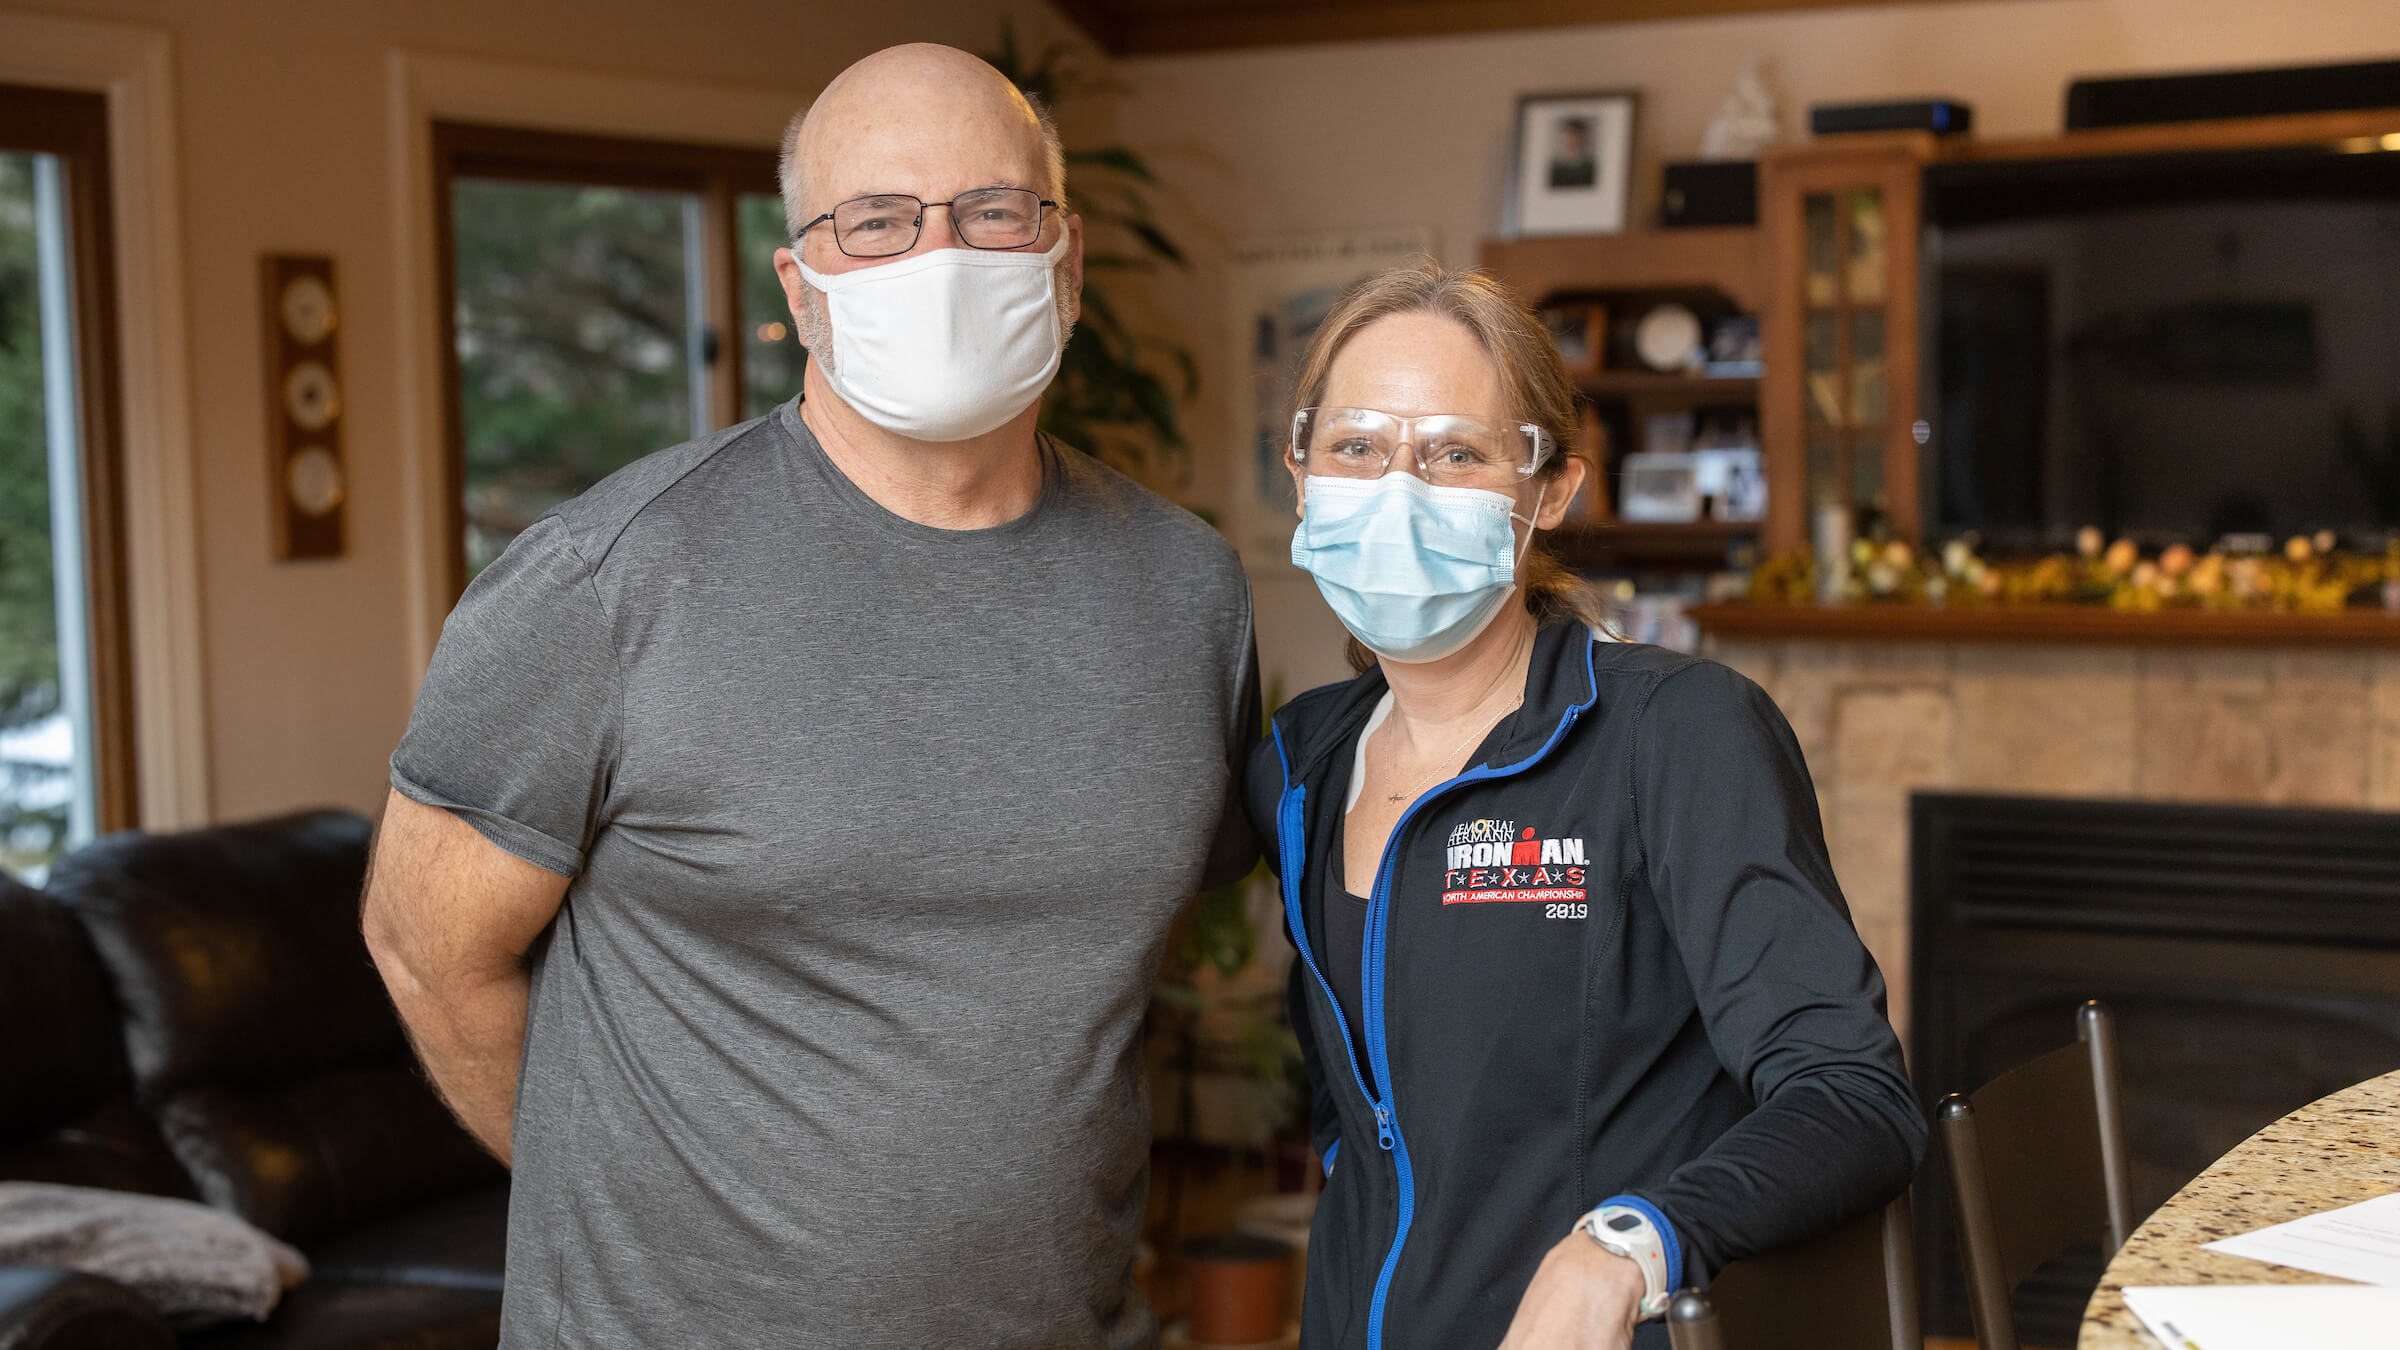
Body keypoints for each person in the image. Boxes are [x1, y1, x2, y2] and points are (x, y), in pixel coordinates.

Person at [363, 43, 1257, 1350]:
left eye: (992, 211)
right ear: (801, 284)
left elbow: (1115, 959)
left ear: (1064, 257)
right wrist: (642, 1220)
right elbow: (427, 948)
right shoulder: (606, 582)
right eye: (877, 221)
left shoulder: (1188, 593)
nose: (941, 258)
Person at [1243, 262, 1922, 1350]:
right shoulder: (1299, 760)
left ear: (1549, 491)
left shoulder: (1677, 733)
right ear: (1302, 470)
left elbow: (1852, 1098)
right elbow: (1353, 1092)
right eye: (1357, 446)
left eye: (1456, 453)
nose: (1397, 487)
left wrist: (1627, 1248)